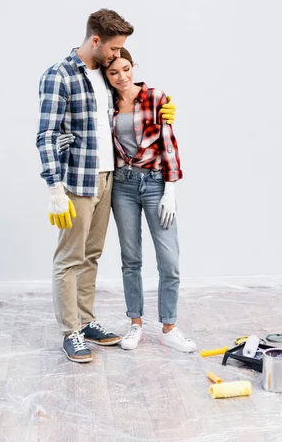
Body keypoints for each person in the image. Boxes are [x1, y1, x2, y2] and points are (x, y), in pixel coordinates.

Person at [36, 9, 176, 363]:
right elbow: (47, 134)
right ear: (95, 41)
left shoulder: (104, 75)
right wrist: (54, 188)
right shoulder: (59, 75)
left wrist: (160, 105)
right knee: (70, 257)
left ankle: (85, 320)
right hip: (78, 181)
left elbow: (127, 104)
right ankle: (70, 331)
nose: (118, 56)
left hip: (112, 178)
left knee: (92, 254)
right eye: (113, 49)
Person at [105, 48, 196, 352]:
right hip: (123, 185)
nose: (122, 77)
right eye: (114, 72)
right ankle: (135, 324)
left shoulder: (155, 97)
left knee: (169, 261)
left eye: (126, 69)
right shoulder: (107, 103)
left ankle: (169, 327)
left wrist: (170, 190)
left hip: (156, 183)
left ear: (134, 67)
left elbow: (168, 145)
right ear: (106, 75)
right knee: (131, 259)